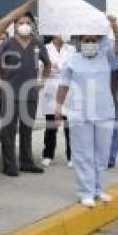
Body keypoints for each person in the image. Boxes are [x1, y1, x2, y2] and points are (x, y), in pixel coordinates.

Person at [54, 16, 118, 207]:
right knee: (82, 153)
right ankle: (85, 191)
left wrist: (114, 26)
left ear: (99, 41)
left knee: (101, 154)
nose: (90, 43)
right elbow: (63, 85)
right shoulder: (72, 60)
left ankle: (98, 189)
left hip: (103, 111)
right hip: (79, 113)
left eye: (94, 40)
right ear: (79, 42)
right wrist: (58, 106)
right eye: (86, 40)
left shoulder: (107, 57)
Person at [0, 0, 51, 175]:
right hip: (9, 94)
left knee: (27, 130)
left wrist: (42, 81)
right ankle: (10, 165)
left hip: (30, 94)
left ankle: (27, 162)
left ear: (33, 25)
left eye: (27, 22)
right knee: (7, 131)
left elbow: (47, 64)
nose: (24, 26)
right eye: (20, 23)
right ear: (14, 26)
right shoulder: (7, 44)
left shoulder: (38, 44)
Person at [41, 35, 75, 168]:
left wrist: (57, 68)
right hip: (51, 88)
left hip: (68, 89)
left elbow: (72, 68)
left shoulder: (71, 49)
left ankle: (71, 156)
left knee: (69, 126)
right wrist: (52, 68)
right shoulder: (45, 48)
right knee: (51, 125)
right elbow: (43, 67)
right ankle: (48, 155)